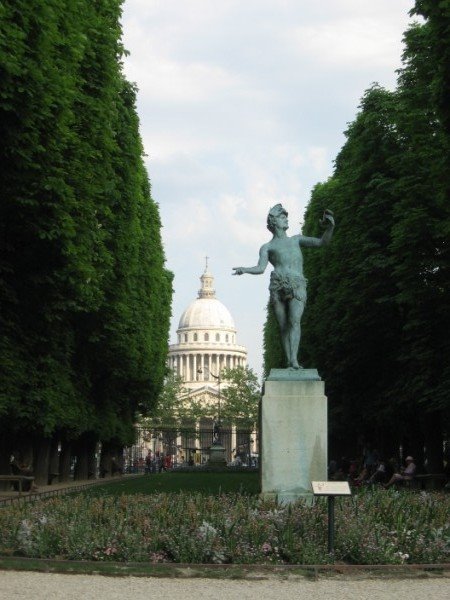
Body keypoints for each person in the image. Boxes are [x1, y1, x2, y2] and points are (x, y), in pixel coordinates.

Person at [233, 204, 334, 368]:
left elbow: (322, 242)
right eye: (282, 217)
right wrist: (244, 269)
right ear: (273, 223)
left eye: (285, 216)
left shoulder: (297, 239)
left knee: (295, 321)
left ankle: (294, 360)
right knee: (283, 326)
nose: (286, 218)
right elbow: (260, 268)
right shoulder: (267, 247)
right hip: (277, 285)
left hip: (296, 284)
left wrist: (330, 227)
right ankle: (289, 361)